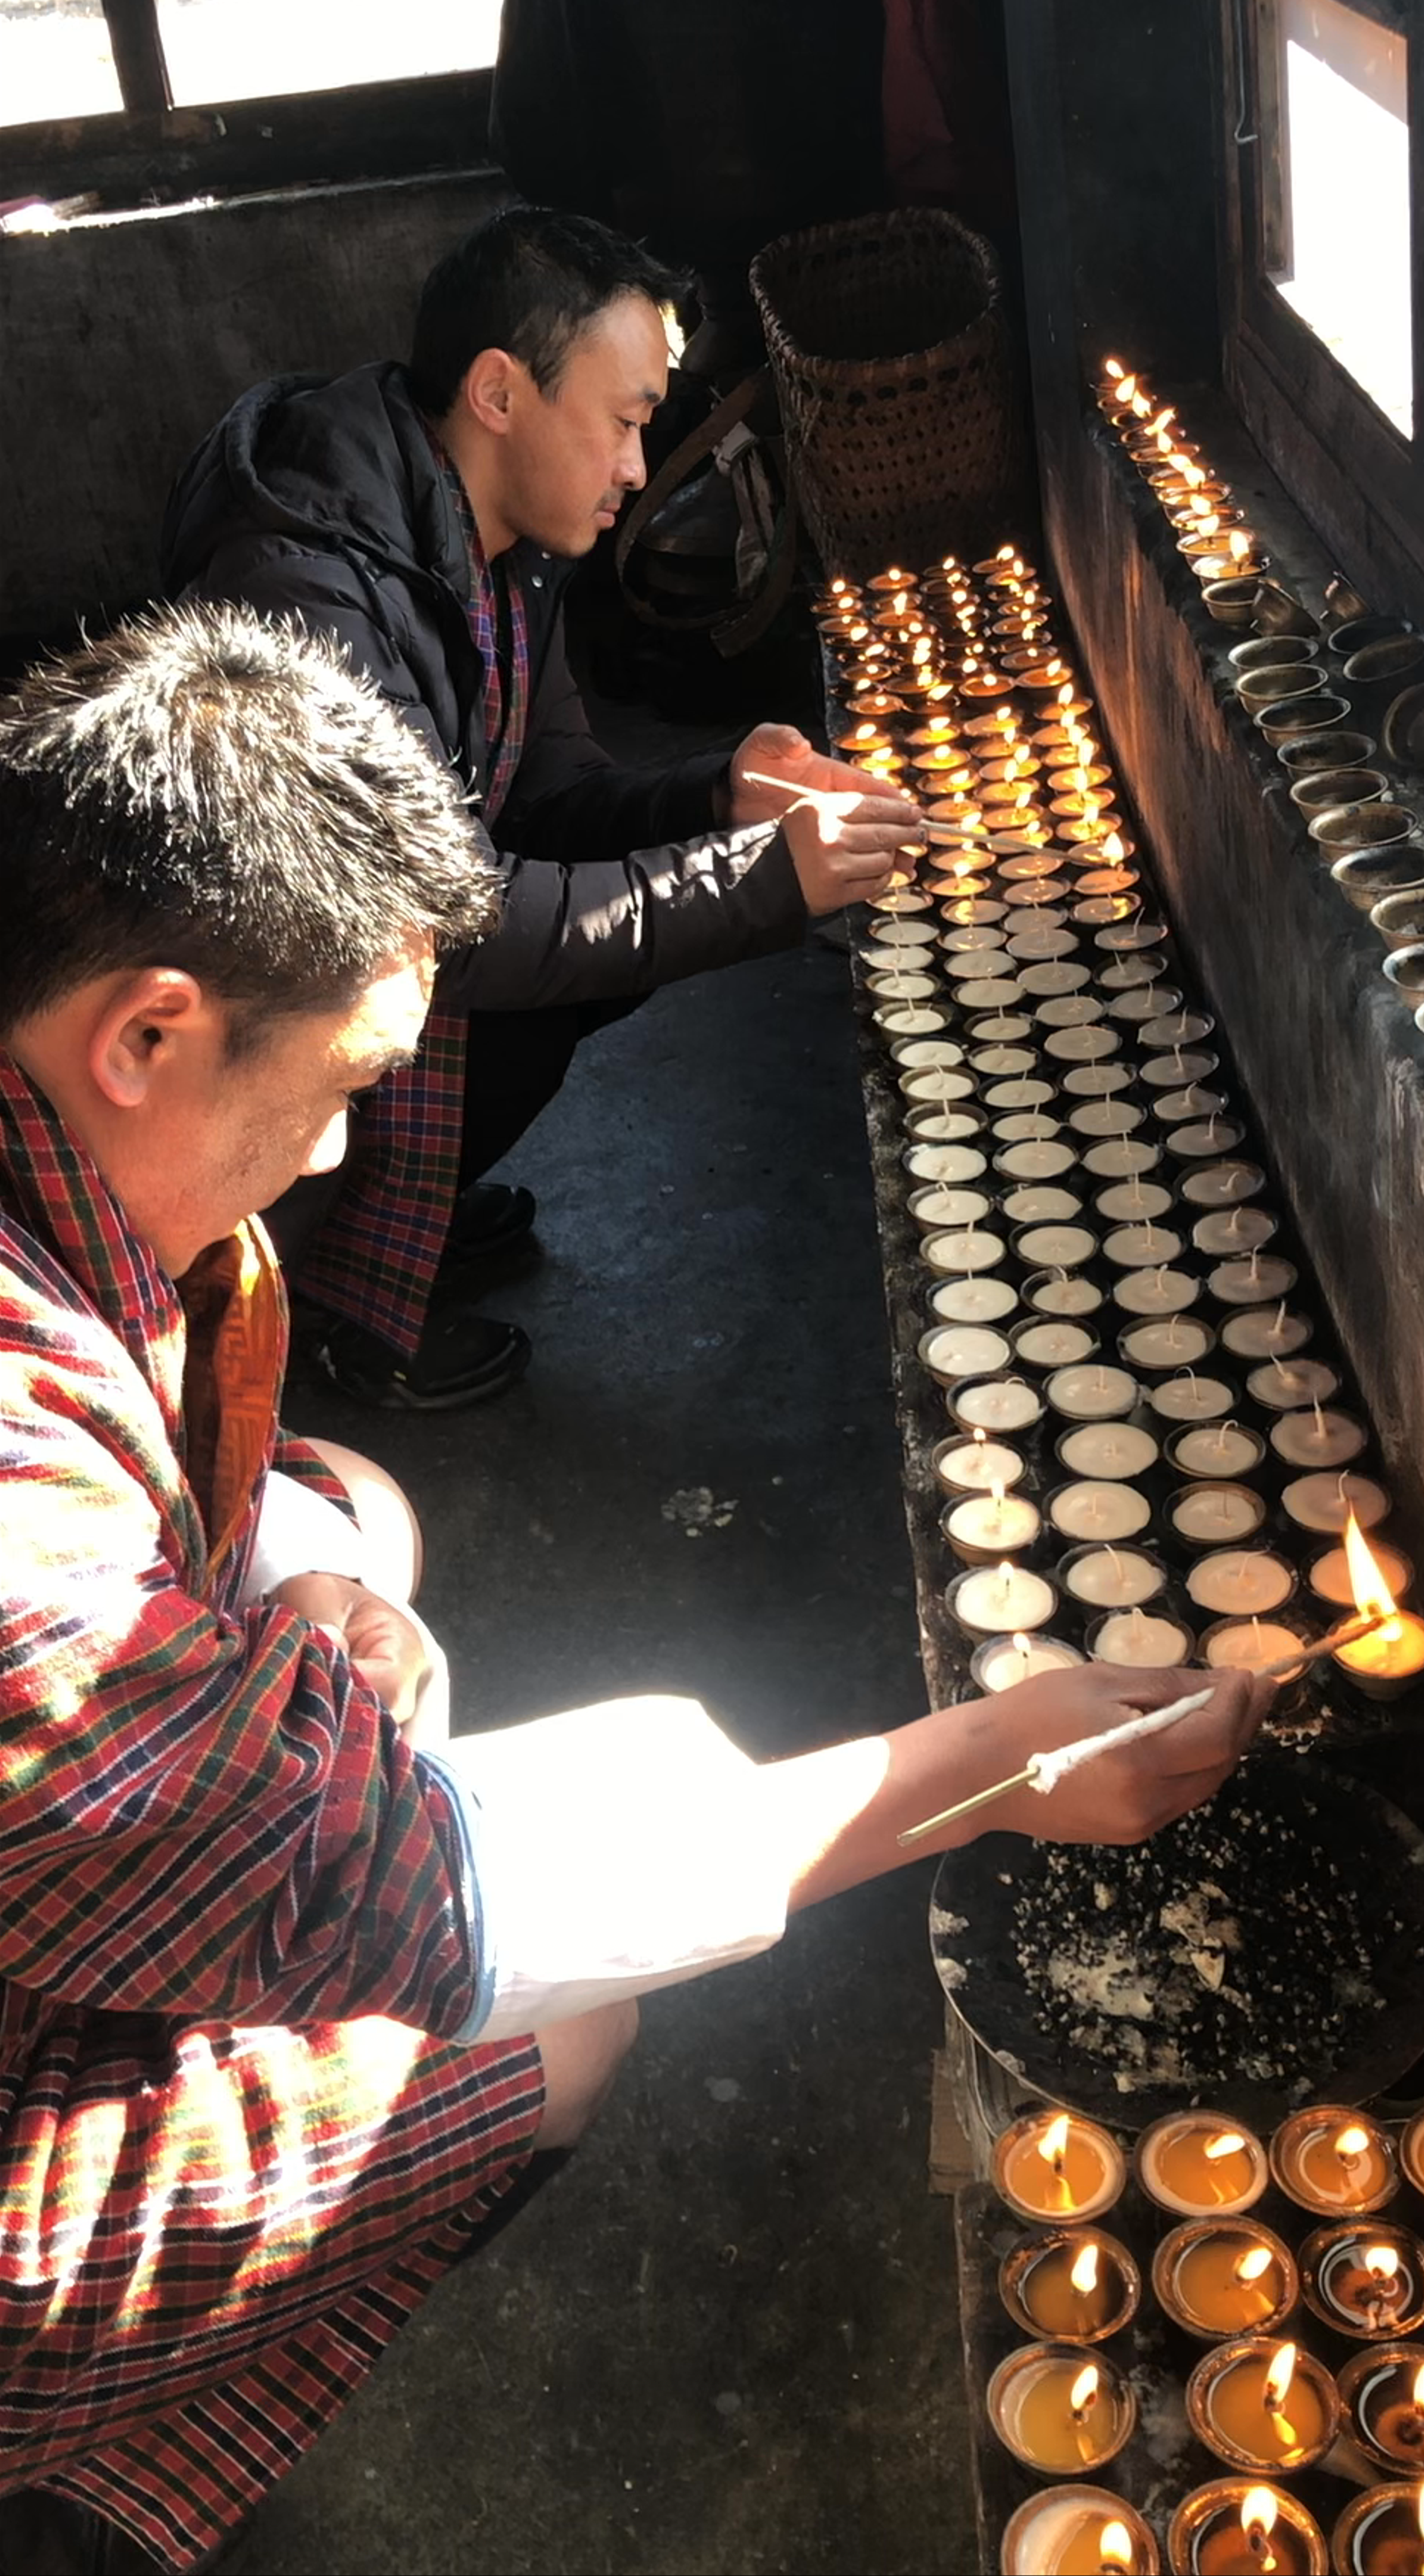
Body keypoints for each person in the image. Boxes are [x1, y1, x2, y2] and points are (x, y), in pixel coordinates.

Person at [0, 607, 1265, 2574]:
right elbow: (413, 1900)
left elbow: (237, 1495)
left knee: (360, 1506)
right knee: (561, 2026)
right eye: (335, 1088)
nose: (338, 1149)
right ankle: (92, 2476)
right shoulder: (21, 1537)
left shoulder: (52, 1169)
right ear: (148, 1031)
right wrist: (988, 1768)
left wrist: (306, 1586)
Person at [162, 203, 921, 1412]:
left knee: (630, 921)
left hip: (406, 943)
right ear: (501, 392)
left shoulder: (499, 541)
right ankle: (324, 1299)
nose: (638, 466)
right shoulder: (311, 599)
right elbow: (451, 934)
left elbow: (551, 791)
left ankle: (398, 1215)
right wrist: (768, 878)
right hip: (257, 1031)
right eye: (624, 424)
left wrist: (720, 788)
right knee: (566, 946)